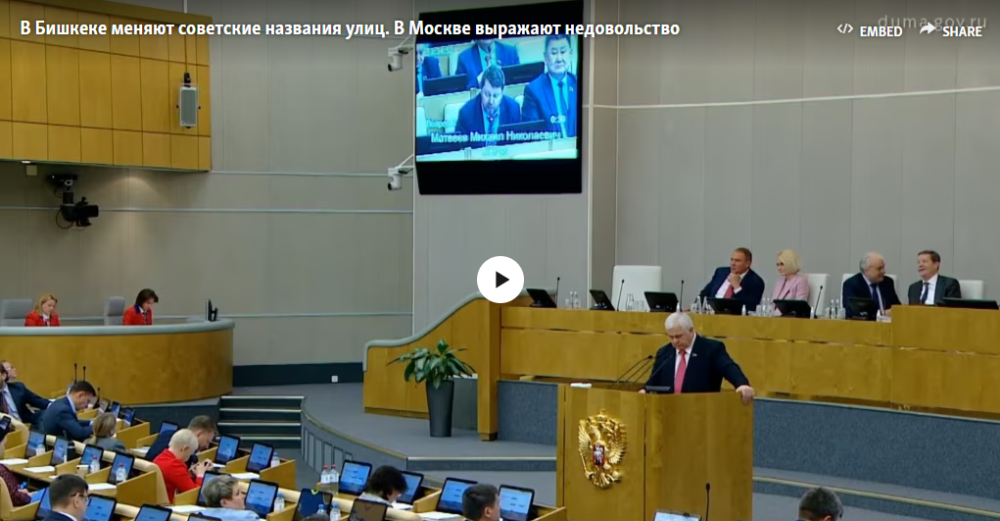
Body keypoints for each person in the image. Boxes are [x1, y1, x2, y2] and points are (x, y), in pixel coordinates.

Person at [641, 313, 755, 404]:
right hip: (668, 410)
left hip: (702, 411)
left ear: (691, 331)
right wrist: (644, 390)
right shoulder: (664, 352)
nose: (675, 341)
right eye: (671, 337)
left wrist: (742, 384)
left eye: (679, 336)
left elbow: (728, 367)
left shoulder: (711, 348)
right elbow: (654, 380)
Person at [520, 34, 578, 138]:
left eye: (563, 52)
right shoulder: (533, 91)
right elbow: (530, 134)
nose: (559, 59)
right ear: (545, 57)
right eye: (554, 53)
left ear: (570, 54)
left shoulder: (578, 84)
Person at [455, 66, 521, 139]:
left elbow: (518, 142)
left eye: (495, 96)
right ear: (481, 89)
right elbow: (460, 144)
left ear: (502, 92)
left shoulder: (513, 109)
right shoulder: (466, 113)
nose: (491, 101)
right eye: (487, 94)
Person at [698, 247, 766, 310]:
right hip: (711, 312)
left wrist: (737, 286)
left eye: (737, 261)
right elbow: (704, 293)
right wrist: (697, 306)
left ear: (748, 263)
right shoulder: (721, 272)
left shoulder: (756, 281)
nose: (733, 263)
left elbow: (750, 306)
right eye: (732, 260)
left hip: (734, 317)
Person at [153, 428, 210, 502]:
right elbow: (194, 495)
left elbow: (177, 479)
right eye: (190, 453)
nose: (189, 457)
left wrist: (190, 474)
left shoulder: (160, 457)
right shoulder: (175, 465)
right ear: (185, 449)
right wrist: (200, 475)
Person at [842, 252, 900, 318]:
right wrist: (882, 313)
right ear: (866, 270)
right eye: (879, 268)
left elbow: (897, 307)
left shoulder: (888, 282)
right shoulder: (852, 285)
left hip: (889, 323)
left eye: (883, 267)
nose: (883, 271)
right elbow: (853, 313)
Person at [454, 38, 520, 89]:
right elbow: (459, 91)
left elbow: (519, 84)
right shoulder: (464, 58)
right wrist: (478, 81)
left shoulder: (511, 53)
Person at [0, 434, 31, 506]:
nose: (4, 448)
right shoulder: (2, 471)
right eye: (4, 444)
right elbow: (15, 497)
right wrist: (29, 496)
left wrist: (18, 491)